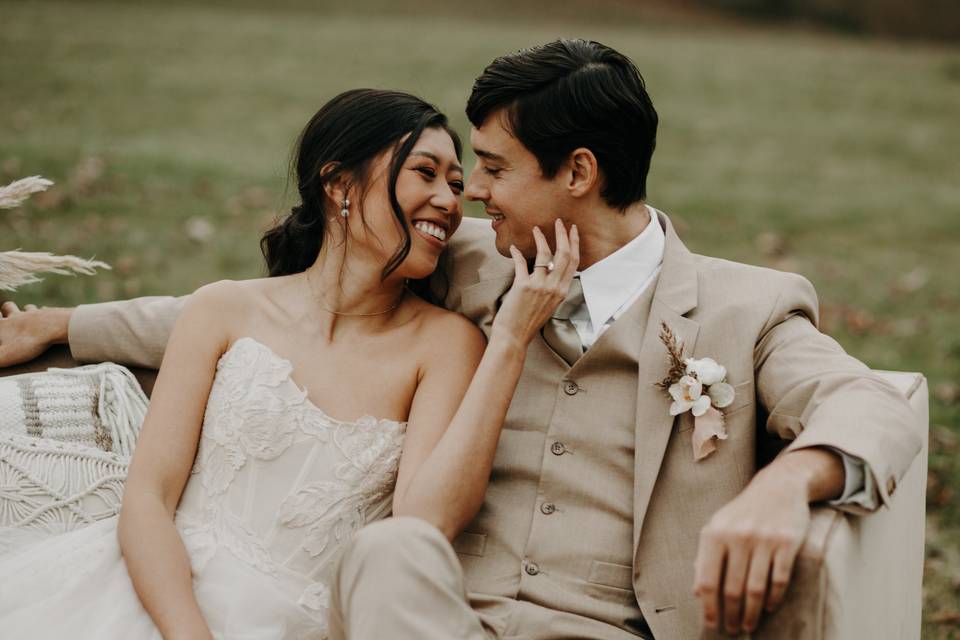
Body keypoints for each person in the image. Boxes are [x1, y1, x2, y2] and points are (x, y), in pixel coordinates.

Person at [0, 40, 921, 639]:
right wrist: (63, 324)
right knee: (392, 552)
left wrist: (787, 482)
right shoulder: (468, 262)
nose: (468, 196)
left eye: (490, 168)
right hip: (443, 619)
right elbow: (285, 312)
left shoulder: (742, 307)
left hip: (611, 630)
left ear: (578, 173)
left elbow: (867, 405)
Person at [0, 88, 579, 639]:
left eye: (456, 184)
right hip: (147, 598)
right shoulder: (221, 310)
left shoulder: (446, 347)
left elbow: (423, 522)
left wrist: (510, 341)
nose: (451, 201)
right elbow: (148, 500)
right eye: (424, 173)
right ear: (338, 183)